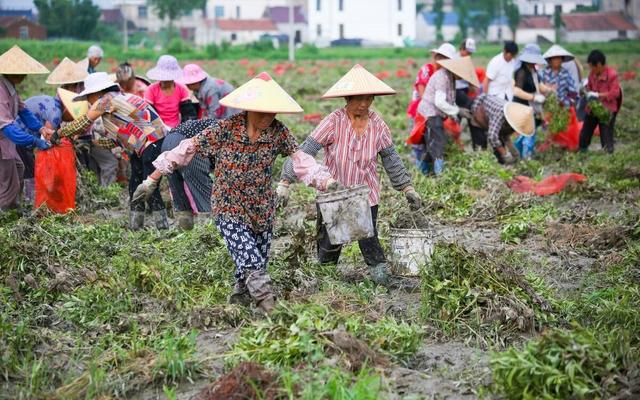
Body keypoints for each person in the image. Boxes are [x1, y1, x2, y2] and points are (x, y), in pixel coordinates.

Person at [132, 72, 338, 313]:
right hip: (228, 205)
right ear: (249, 109)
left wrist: (326, 181)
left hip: (261, 207)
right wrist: (151, 180)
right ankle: (268, 306)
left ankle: (239, 297)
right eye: (262, 112)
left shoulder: (278, 132)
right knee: (250, 259)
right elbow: (187, 149)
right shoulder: (226, 128)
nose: (267, 117)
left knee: (257, 259)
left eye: (272, 112)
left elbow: (301, 161)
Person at [279, 64, 422, 286]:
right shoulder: (333, 121)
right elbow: (304, 152)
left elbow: (391, 158)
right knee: (329, 242)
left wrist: (407, 188)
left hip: (366, 193)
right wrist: (285, 182)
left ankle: (381, 279)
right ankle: (325, 280)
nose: (364, 104)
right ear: (347, 99)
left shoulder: (378, 125)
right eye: (358, 99)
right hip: (334, 193)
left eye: (368, 98)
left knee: (369, 236)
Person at [55, 72, 169, 229]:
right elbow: (116, 141)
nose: (88, 102)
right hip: (147, 146)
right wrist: (87, 142)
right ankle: (136, 226)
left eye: (88, 97)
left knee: (148, 188)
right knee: (135, 185)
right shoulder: (120, 100)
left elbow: (84, 123)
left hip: (152, 144)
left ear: (96, 93)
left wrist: (59, 133)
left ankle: (162, 228)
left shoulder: (105, 100)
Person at [0, 45, 52, 211]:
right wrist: (35, 141)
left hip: (6, 143)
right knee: (7, 181)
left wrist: (41, 128)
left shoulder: (10, 88)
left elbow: (24, 111)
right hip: (3, 140)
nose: (24, 76)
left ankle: (13, 207)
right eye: (22, 73)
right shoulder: (1, 91)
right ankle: (5, 215)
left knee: (19, 168)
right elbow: (8, 129)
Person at [419, 56, 480, 175]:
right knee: (438, 144)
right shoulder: (443, 77)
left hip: (436, 112)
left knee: (432, 144)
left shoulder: (450, 78)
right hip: (430, 112)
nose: (461, 78)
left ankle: (422, 171)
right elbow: (440, 102)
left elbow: (449, 99)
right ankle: (439, 175)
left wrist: (456, 112)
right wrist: (457, 111)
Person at [407, 43, 456, 173]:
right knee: (421, 145)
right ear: (436, 57)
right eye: (439, 57)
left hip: (432, 113)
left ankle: (429, 174)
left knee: (431, 145)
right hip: (419, 112)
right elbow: (424, 95)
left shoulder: (446, 75)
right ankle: (424, 175)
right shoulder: (427, 70)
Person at [161, 119, 216, 230]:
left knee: (178, 192)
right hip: (187, 144)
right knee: (203, 189)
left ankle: (185, 230)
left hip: (167, 142)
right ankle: (210, 231)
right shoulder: (231, 132)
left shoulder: (221, 125)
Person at [469, 93, 535, 164]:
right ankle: (480, 165)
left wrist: (513, 151)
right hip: (479, 113)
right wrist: (505, 154)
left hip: (491, 117)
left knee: (500, 151)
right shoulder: (501, 113)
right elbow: (492, 137)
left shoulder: (513, 119)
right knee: (481, 147)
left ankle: (502, 165)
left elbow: (505, 136)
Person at [579, 50, 622, 154]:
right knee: (585, 133)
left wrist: (598, 95)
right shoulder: (592, 74)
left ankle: (609, 157)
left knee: (606, 136)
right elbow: (589, 87)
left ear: (598, 65)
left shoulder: (612, 75)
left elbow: (615, 93)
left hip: (607, 110)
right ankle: (582, 153)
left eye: (592, 67)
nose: (591, 69)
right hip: (593, 108)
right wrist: (585, 91)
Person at [540, 45, 580, 151]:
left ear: (562, 60)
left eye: (559, 58)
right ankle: (551, 147)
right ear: (550, 60)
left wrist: (565, 102)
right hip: (548, 107)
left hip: (563, 107)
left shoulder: (565, 74)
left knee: (565, 128)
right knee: (549, 128)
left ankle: (566, 147)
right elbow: (539, 89)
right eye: (554, 58)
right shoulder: (543, 73)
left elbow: (573, 92)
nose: (557, 60)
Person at [512, 44, 548, 160]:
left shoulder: (533, 70)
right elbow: (516, 91)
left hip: (532, 107)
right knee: (528, 131)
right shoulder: (521, 72)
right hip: (523, 106)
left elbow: (539, 85)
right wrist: (533, 98)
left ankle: (519, 153)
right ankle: (525, 157)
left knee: (529, 132)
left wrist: (549, 91)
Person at [144, 55, 191, 129]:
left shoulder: (181, 89)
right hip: (157, 127)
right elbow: (148, 114)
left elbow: (188, 114)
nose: (165, 80)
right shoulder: (151, 90)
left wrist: (183, 129)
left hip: (177, 128)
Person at [455, 38, 477, 108]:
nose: (469, 55)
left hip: (465, 89)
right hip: (456, 90)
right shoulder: (454, 59)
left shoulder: (468, 60)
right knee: (471, 105)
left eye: (470, 53)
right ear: (462, 49)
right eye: (468, 53)